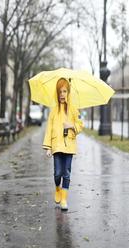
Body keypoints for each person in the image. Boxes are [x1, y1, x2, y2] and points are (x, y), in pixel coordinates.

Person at [42, 78, 84, 211]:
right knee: (57, 173)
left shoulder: (73, 110)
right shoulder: (54, 111)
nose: (62, 94)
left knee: (66, 173)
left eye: (65, 91)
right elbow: (49, 129)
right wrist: (48, 147)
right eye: (60, 91)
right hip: (57, 146)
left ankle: (64, 199)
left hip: (69, 145)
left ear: (68, 93)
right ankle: (57, 188)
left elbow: (80, 124)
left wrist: (71, 125)